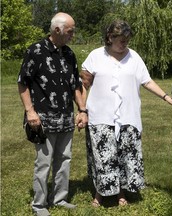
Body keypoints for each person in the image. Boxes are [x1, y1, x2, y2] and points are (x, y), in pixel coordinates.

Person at [79, 20, 172, 207]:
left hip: (128, 116)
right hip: (101, 116)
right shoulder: (95, 56)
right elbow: (83, 85)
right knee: (103, 157)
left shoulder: (134, 57)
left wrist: (165, 96)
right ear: (110, 37)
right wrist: (82, 110)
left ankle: (121, 194)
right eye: (121, 40)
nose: (125, 43)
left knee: (125, 156)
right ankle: (100, 194)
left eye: (127, 39)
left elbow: (146, 81)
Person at [17, 12, 88, 216]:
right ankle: (39, 205)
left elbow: (76, 85)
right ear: (57, 30)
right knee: (44, 163)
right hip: (43, 119)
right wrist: (30, 111)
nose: (72, 35)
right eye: (70, 31)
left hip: (66, 118)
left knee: (64, 159)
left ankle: (59, 198)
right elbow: (23, 82)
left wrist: (82, 110)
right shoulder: (36, 51)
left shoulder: (69, 54)